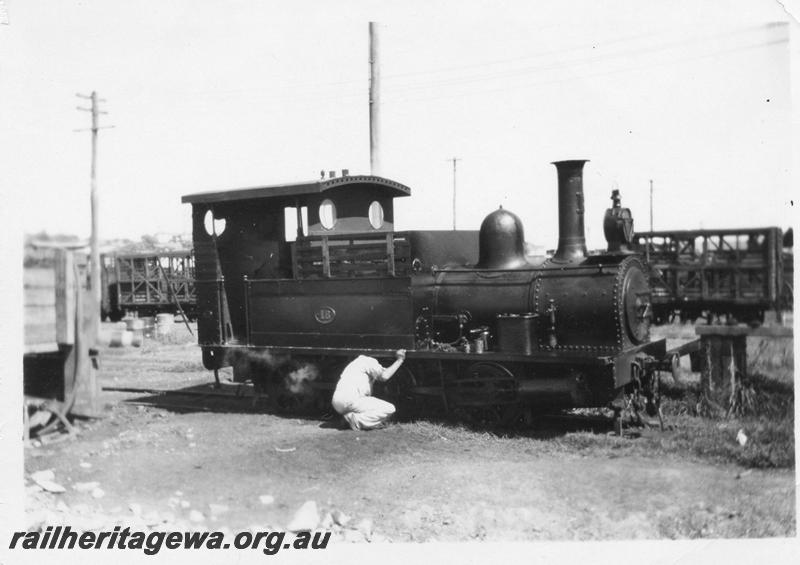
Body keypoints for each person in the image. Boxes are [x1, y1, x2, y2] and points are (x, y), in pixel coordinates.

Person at [331, 349, 406, 431]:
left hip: (337, 403)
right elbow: (384, 376)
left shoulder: (354, 363)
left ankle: (351, 417)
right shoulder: (368, 360)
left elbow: (383, 371)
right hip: (351, 400)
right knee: (390, 408)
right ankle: (354, 420)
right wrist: (400, 360)